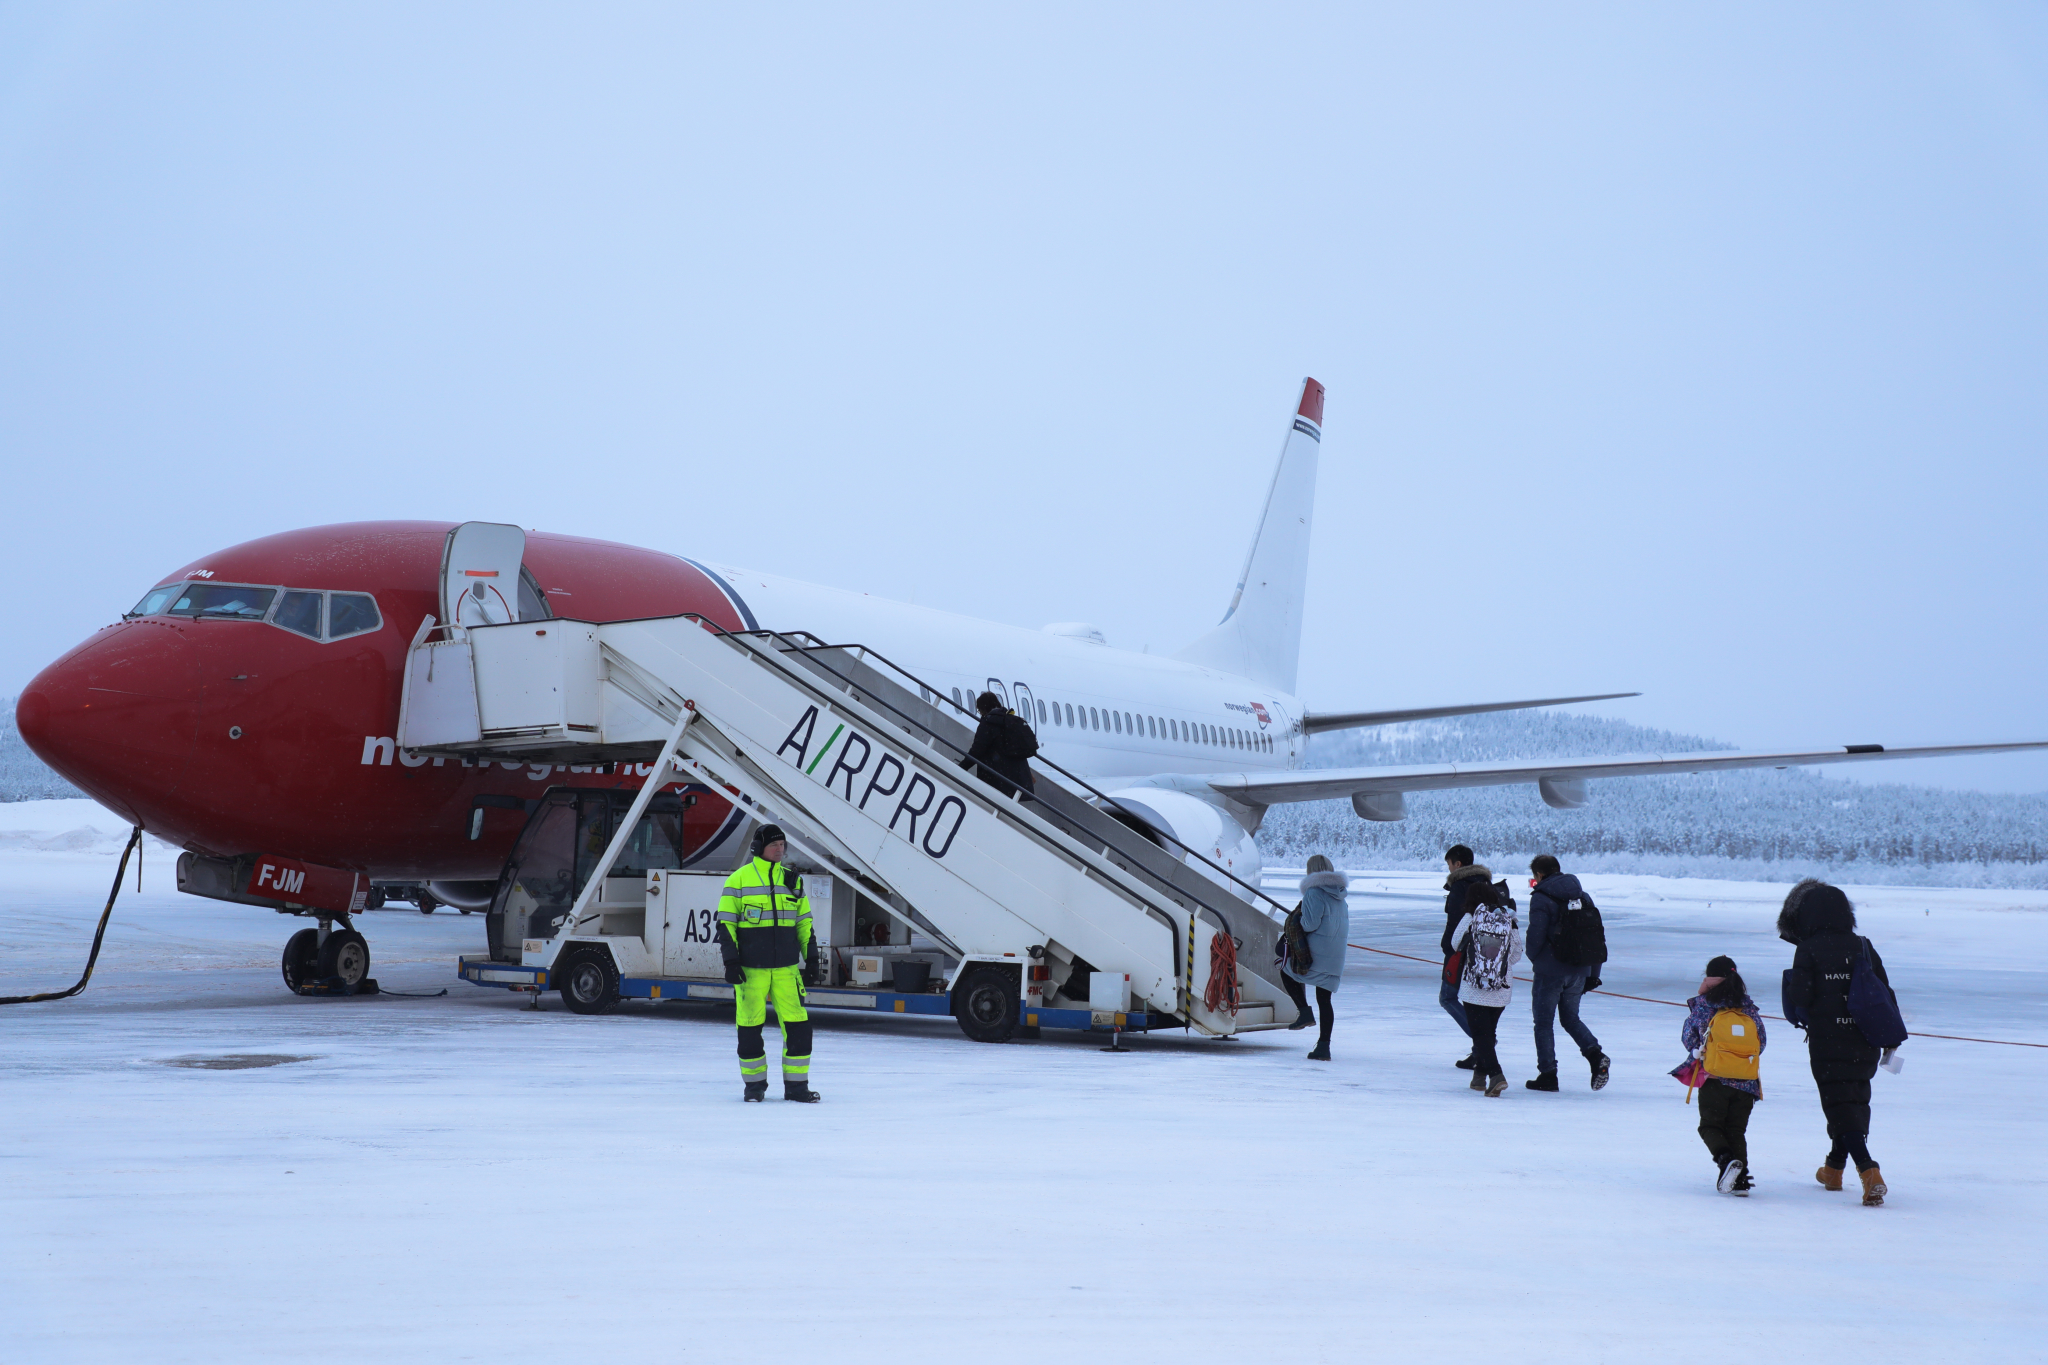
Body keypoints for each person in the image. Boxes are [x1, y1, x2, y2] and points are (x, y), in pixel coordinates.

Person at [1778, 880, 1893, 1206]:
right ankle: (1833, 1168)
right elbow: (1884, 990)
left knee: (1838, 1105)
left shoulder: (1809, 948)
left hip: (1828, 1040)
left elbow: (1801, 998)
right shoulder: (1863, 946)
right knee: (1854, 1100)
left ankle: (1869, 1171)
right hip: (1865, 1038)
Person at [718, 824, 824, 1103]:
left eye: (782, 845)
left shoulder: (792, 880)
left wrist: (811, 958)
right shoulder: (738, 880)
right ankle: (754, 1088)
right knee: (750, 1030)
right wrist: (731, 961)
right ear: (758, 848)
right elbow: (726, 925)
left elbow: (804, 923)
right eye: (774, 845)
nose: (780, 849)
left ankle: (797, 1088)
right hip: (751, 971)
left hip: (787, 970)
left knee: (800, 1029)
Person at [1672, 955, 1766, 1195]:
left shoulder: (1705, 1004)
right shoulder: (1748, 1007)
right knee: (1736, 1130)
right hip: (1746, 1081)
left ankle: (1726, 1161)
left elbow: (1688, 1038)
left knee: (1710, 1126)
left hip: (1714, 1078)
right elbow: (1761, 1042)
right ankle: (1741, 1179)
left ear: (1709, 977)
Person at [1524, 854, 1611, 1092]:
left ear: (1539, 875)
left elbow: (1535, 936)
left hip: (1550, 971)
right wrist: (1593, 972)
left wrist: (1536, 959)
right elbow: (1595, 937)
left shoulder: (1542, 897)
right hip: (1580, 969)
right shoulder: (1582, 896)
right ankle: (1595, 1056)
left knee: (1543, 1023)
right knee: (1570, 1019)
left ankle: (1548, 1075)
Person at [1448, 879, 1524, 1097]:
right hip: (1501, 989)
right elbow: (1517, 952)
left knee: (1481, 1035)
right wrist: (1498, 965)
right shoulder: (1508, 918)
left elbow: (1455, 943)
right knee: (1487, 1033)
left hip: (1473, 987)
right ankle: (1479, 1077)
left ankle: (1496, 1075)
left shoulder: (1472, 917)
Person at [1278, 854, 1350, 1061]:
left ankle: (1304, 1012)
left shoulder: (1314, 893)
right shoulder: (1341, 895)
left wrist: (1296, 918)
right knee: (1324, 1000)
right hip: (1336, 956)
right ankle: (1323, 1047)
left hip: (1318, 953)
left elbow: (1309, 925)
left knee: (1286, 970)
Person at [1439, 845, 1492, 1068]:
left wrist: (1447, 947)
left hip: (1460, 953)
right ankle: (1480, 1050)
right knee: (1474, 1003)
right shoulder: (1486, 885)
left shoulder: (1460, 886)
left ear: (1458, 864)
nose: (1448, 869)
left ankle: (1483, 1043)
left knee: (1447, 998)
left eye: (1449, 864)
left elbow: (1455, 922)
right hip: (1485, 953)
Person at [960, 691, 1038, 799]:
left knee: (990, 809)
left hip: (997, 780)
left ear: (983, 708)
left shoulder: (988, 723)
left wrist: (962, 767)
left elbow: (977, 750)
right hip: (1017, 780)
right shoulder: (1010, 720)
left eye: (979, 709)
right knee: (1007, 812)